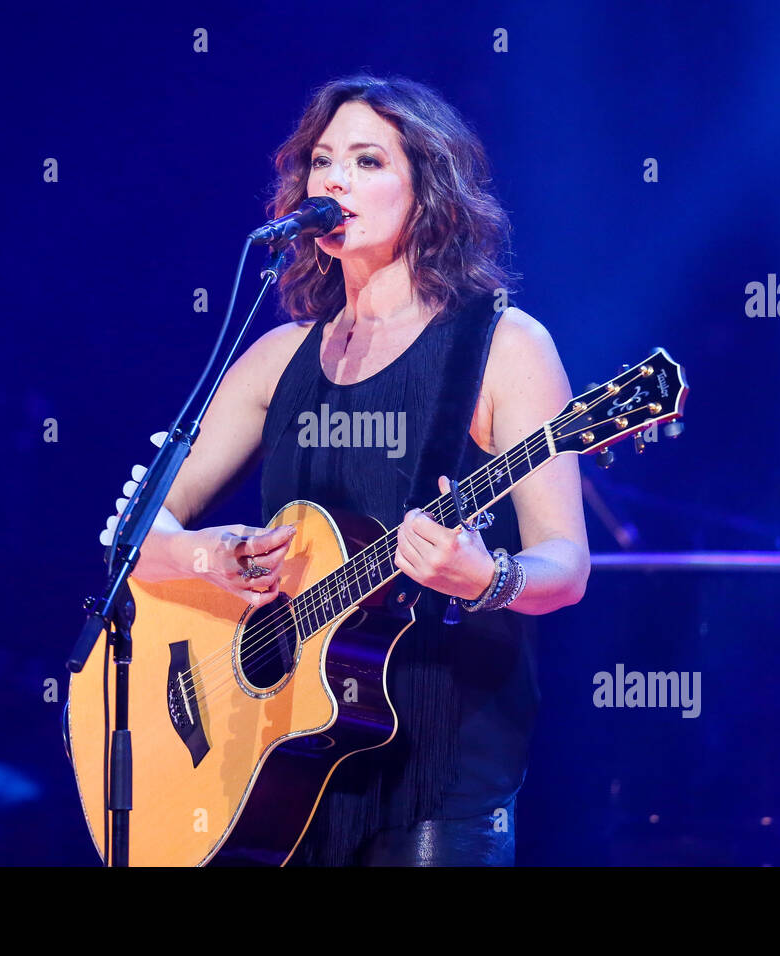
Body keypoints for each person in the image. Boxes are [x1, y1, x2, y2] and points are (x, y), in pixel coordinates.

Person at [128, 74, 590, 865]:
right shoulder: (278, 358)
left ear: (430, 194)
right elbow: (137, 531)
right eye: (321, 160)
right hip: (278, 763)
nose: (334, 179)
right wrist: (209, 555)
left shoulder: (504, 347)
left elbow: (567, 566)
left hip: (438, 768)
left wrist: (485, 579)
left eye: (368, 161)